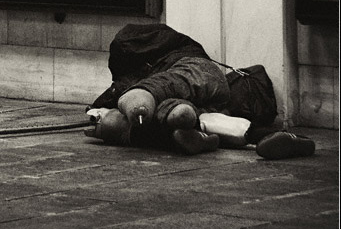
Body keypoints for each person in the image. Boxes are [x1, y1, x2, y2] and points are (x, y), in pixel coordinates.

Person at [84, 24, 316, 160]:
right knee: (193, 116)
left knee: (164, 93)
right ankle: (204, 135)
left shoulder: (180, 63)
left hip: (199, 77)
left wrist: (108, 113)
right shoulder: (176, 45)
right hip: (207, 99)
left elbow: (166, 82)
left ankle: (178, 121)